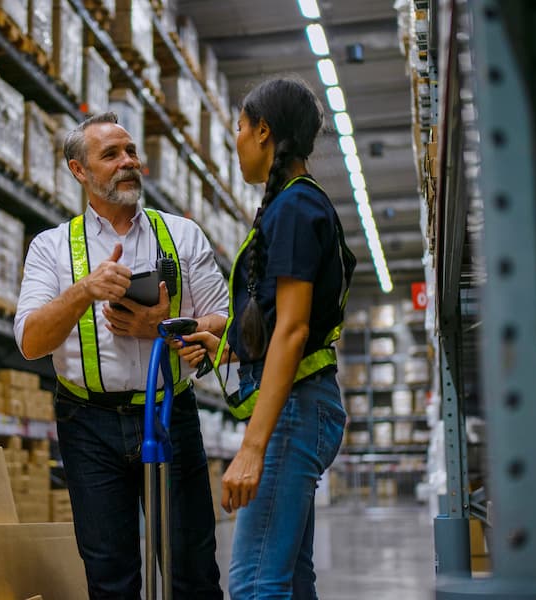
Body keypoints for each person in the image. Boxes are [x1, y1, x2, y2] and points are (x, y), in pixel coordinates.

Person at [13, 111, 227, 599]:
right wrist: (82, 291)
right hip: (88, 422)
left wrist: (161, 326)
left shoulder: (182, 235)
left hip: (170, 412)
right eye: (110, 154)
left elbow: (222, 322)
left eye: (130, 152)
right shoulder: (51, 249)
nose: (127, 161)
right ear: (79, 171)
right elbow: (30, 341)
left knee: (192, 570)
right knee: (109, 574)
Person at [178, 78, 356, 599]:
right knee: (290, 581)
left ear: (263, 131)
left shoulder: (296, 210)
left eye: (238, 127)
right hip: (301, 408)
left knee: (255, 584)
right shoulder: (289, 207)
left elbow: (295, 331)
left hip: (295, 412)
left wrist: (252, 447)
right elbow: (278, 325)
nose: (234, 140)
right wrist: (224, 347)